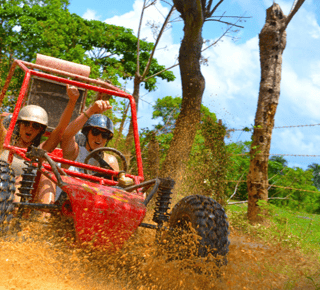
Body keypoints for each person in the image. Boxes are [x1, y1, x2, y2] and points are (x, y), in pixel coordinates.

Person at [0, 85, 80, 204]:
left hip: (14, 200)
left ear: (40, 131)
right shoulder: (5, 143)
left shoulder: (37, 152)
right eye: (26, 123)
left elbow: (59, 131)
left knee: (27, 182)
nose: (30, 128)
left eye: (35, 126)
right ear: (19, 125)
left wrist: (72, 102)